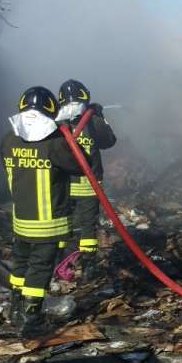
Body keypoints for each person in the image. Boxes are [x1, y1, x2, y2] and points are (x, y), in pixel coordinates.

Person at [0, 86, 81, 336]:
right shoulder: (55, 143)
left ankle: (15, 309)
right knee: (40, 268)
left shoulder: (9, 139)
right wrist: (68, 137)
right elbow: (81, 166)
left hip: (21, 220)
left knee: (20, 265)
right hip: (48, 223)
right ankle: (30, 319)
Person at [56, 79, 116, 269]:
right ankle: (87, 266)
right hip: (89, 186)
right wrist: (100, 116)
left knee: (62, 223)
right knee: (88, 227)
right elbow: (109, 141)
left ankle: (59, 260)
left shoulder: (54, 125)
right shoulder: (93, 122)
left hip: (63, 185)